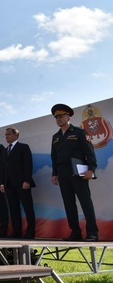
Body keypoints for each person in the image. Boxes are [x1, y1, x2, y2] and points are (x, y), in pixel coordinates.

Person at [51, 103, 99, 242]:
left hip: (79, 172)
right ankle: (75, 232)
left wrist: (91, 169)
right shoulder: (55, 137)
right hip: (63, 173)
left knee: (85, 202)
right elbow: (54, 157)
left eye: (60, 116)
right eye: (56, 117)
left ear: (68, 117)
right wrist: (54, 173)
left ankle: (92, 233)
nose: (58, 119)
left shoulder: (80, 132)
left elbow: (90, 153)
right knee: (69, 203)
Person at [0, 128, 36, 239]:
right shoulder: (5, 150)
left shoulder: (23, 147)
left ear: (16, 135)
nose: (7, 136)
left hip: (22, 183)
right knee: (13, 209)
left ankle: (30, 232)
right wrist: (2, 183)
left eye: (9, 134)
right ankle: (16, 231)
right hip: (9, 184)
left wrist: (27, 180)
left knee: (28, 208)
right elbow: (3, 168)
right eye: (5, 135)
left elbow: (28, 165)